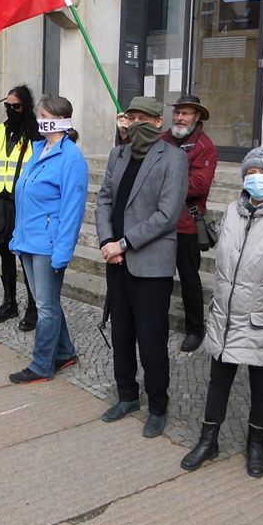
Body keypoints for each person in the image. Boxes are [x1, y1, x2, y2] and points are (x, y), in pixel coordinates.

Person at [179, 147, 263, 477]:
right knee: (219, 380)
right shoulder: (234, 211)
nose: (256, 178)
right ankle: (209, 439)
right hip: (226, 314)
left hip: (262, 317)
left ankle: (255, 445)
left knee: (261, 384)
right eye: (251, 172)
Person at [95, 96, 188, 438]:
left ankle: (158, 405)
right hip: (116, 261)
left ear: (158, 122)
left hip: (150, 264)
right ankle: (126, 395)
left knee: (151, 339)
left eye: (144, 117)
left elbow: (167, 214)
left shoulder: (174, 158)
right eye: (132, 116)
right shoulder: (118, 153)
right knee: (121, 334)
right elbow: (104, 198)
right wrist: (107, 241)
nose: (136, 122)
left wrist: (125, 242)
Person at [7, 95, 88, 383]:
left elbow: (72, 211)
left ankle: (42, 364)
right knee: (46, 301)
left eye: (42, 115)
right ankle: (65, 352)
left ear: (56, 119)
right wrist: (18, 236)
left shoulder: (71, 159)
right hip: (29, 241)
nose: (37, 120)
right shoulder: (39, 149)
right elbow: (26, 195)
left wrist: (62, 253)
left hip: (48, 245)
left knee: (45, 306)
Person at [160, 94, 217, 352]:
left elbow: (198, 185)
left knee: (189, 279)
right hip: (161, 221)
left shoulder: (205, 146)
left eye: (186, 113)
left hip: (186, 223)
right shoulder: (164, 139)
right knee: (158, 276)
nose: (181, 117)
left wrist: (162, 184)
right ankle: (156, 321)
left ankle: (195, 329)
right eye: (178, 112)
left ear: (196, 117)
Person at [0, 86, 39, 331]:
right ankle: (9, 302)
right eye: (7, 106)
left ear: (25, 105)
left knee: (26, 258)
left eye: (15, 106)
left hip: (24, 204)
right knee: (5, 256)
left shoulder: (35, 133)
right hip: (0, 203)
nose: (10, 110)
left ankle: (33, 308)